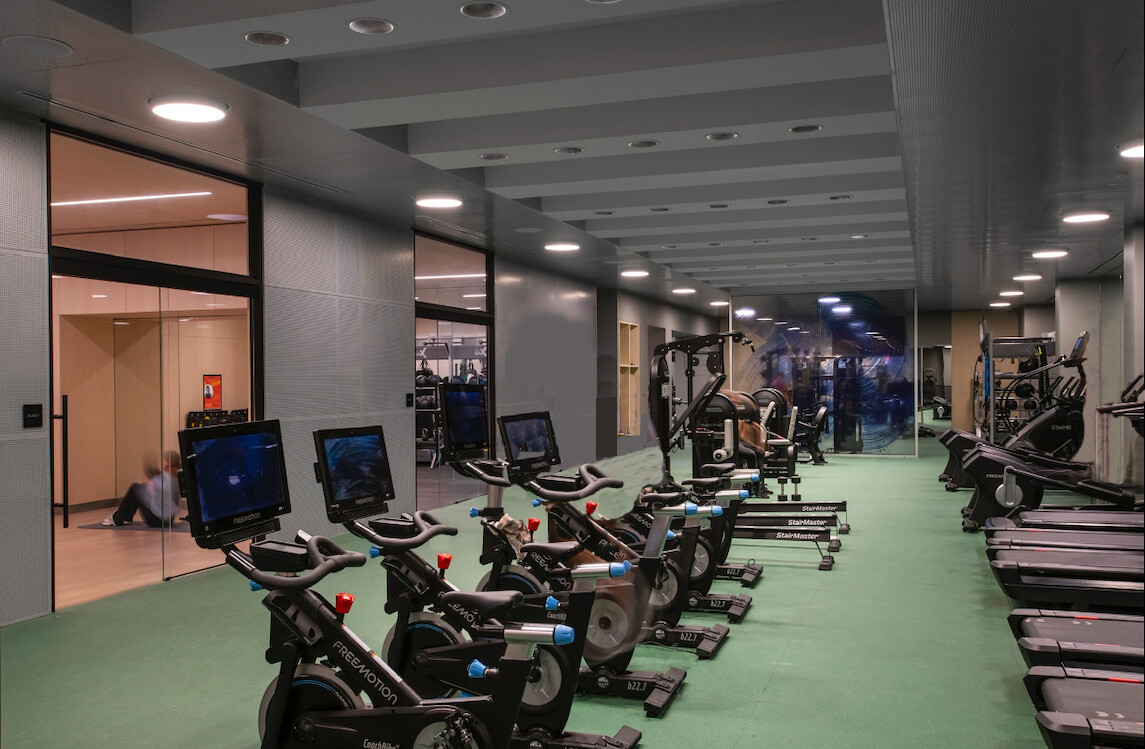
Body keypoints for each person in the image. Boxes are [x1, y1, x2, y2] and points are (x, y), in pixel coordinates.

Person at [102, 451, 182, 527]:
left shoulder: (166, 479)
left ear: (167, 464)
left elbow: (148, 491)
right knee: (139, 489)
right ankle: (125, 516)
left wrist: (147, 482)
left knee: (135, 488)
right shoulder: (177, 478)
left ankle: (117, 518)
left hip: (157, 520)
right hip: (169, 520)